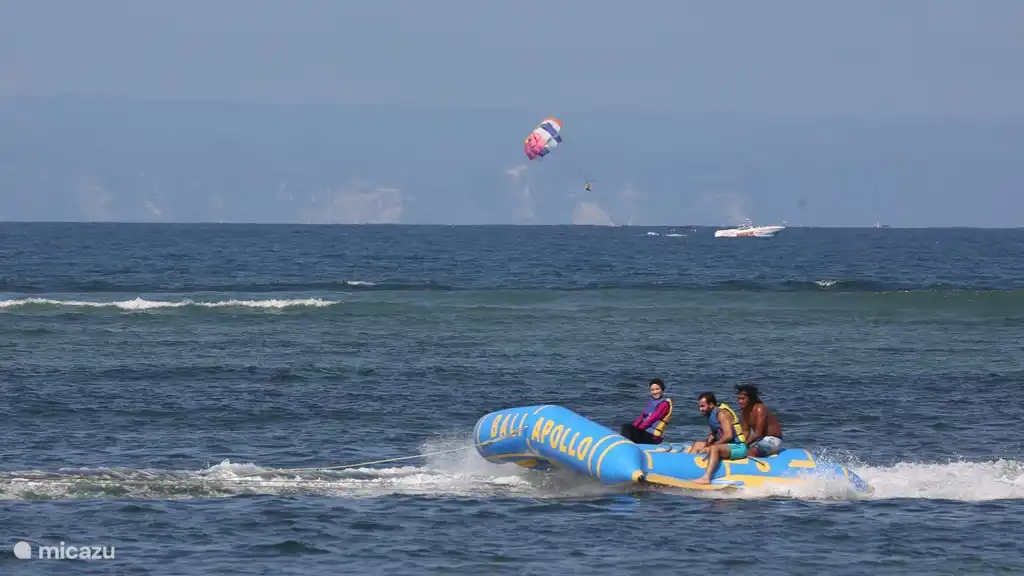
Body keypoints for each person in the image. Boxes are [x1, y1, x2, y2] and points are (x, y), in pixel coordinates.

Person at [687, 392, 747, 484]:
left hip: (738, 447)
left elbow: (728, 436)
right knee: (698, 444)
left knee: (714, 448)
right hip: (726, 445)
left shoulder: (722, 414)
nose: (700, 409)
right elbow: (719, 431)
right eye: (700, 406)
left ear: (711, 405)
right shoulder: (711, 413)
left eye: (703, 406)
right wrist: (713, 435)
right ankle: (688, 470)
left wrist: (711, 446)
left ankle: (706, 478)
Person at [735, 382, 783, 457]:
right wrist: (739, 444)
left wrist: (745, 445)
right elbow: (745, 431)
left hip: (773, 439)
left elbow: (758, 434)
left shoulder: (759, 408)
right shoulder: (744, 412)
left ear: (750, 398)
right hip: (760, 440)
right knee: (738, 451)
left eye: (743, 399)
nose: (740, 401)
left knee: (750, 453)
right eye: (738, 398)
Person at [620, 378, 673, 444]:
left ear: (662, 389)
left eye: (657, 389)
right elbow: (642, 416)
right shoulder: (651, 401)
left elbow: (653, 418)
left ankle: (627, 447)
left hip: (654, 437)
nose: (655, 392)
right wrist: (634, 426)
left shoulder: (664, 404)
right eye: (652, 390)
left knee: (629, 430)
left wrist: (639, 429)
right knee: (626, 427)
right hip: (645, 432)